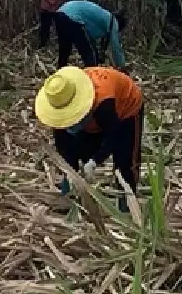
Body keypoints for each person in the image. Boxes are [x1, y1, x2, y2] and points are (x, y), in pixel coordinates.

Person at [34, 65, 144, 212]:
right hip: (95, 115)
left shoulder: (104, 103)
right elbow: (64, 146)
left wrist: (95, 161)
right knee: (82, 148)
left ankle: (128, 203)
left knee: (125, 158)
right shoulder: (57, 102)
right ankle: (73, 198)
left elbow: (114, 135)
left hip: (126, 109)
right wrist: (69, 173)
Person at [53, 0, 125, 69]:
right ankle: (93, 74)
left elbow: (89, 37)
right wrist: (121, 67)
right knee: (89, 53)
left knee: (64, 50)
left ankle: (60, 72)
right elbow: (116, 48)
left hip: (60, 13)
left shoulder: (102, 16)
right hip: (73, 17)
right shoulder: (113, 21)